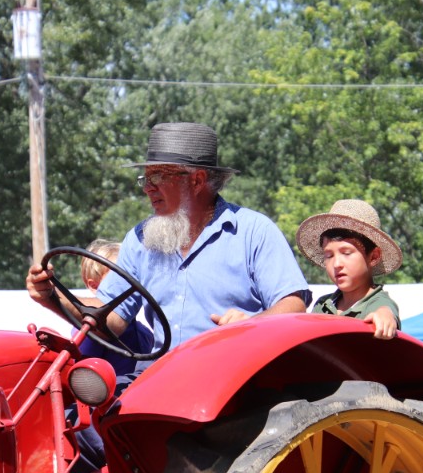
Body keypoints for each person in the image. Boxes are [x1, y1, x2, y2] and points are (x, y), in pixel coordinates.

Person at [27, 122, 308, 368]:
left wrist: (250, 325)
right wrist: (52, 296)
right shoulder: (139, 240)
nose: (148, 187)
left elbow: (294, 304)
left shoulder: (252, 230)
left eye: (158, 176)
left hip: (237, 381)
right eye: (145, 178)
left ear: (197, 180)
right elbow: (111, 318)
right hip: (164, 380)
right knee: (83, 418)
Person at [295, 199, 401, 339]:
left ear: (374, 256)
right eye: (329, 255)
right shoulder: (322, 306)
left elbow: (386, 312)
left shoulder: (378, 304)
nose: (337, 263)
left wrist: (385, 317)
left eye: (346, 253)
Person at [76, 238, 153, 376]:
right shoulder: (91, 333)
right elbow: (84, 378)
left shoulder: (145, 334)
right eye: (119, 278)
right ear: (94, 285)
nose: (130, 283)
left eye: (133, 275)